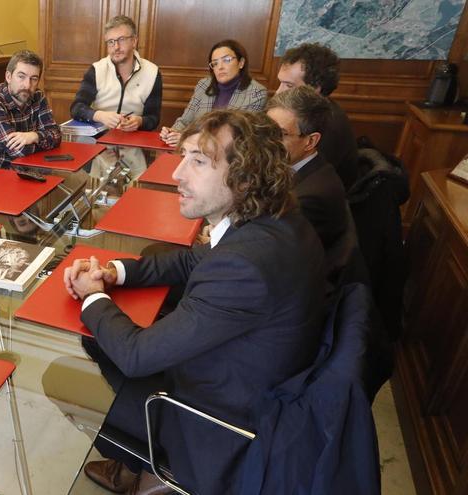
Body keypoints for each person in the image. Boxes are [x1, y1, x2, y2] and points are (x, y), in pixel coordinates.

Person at [64, 110, 325, 494]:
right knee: (97, 338)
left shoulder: (245, 266)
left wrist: (92, 294)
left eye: (199, 161)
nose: (177, 174)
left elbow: (138, 356)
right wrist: (114, 272)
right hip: (246, 381)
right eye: (184, 156)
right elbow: (192, 259)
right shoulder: (274, 218)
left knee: (64, 373)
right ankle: (134, 468)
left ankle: (145, 470)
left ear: (246, 176)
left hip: (212, 420)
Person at [267, 86, 356, 287]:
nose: (268, 142)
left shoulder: (311, 197)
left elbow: (271, 257)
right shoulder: (297, 165)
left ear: (310, 141)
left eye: (280, 134)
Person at [276, 43, 358, 189]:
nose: (278, 92)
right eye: (280, 83)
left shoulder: (329, 126)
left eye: (288, 86)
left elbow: (294, 181)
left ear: (314, 89)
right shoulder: (311, 110)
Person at [159, 39, 268, 148]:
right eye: (215, 63)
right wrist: (172, 132)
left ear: (241, 63)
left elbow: (242, 136)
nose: (220, 67)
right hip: (194, 152)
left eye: (227, 60)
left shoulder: (256, 93)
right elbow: (184, 121)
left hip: (231, 158)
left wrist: (189, 139)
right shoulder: (204, 85)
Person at [0, 50, 61, 171]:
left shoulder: (38, 96)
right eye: (21, 77)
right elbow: (19, 151)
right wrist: (45, 140)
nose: (27, 85)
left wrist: (35, 136)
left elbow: (57, 135)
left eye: (33, 79)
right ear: (8, 76)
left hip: (24, 169)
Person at [70, 15, 162, 132]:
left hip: (134, 138)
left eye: (121, 40)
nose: (116, 47)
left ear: (134, 41)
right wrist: (100, 116)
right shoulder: (97, 70)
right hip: (99, 136)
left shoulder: (152, 72)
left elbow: (154, 118)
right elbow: (76, 108)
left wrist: (140, 121)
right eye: (111, 42)